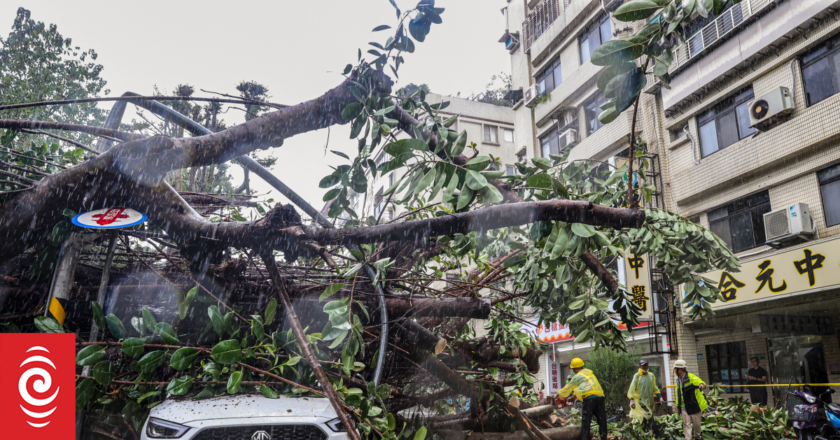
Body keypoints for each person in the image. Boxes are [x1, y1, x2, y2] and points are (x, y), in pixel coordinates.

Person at [557, 358, 606, 440]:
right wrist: (573, 397)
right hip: (600, 398)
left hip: (589, 400)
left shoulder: (577, 376)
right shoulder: (590, 374)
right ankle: (604, 438)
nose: (573, 371)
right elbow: (586, 388)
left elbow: (566, 389)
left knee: (586, 422)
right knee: (602, 421)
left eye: (573, 369)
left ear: (576, 369)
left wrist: (557, 394)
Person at [673, 359, 707, 440]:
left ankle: (698, 437)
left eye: (675, 369)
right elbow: (678, 394)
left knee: (697, 425)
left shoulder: (691, 377)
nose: (674, 371)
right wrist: (678, 405)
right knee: (686, 424)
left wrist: (702, 385)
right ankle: (688, 438)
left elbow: (700, 382)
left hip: (694, 405)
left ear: (679, 369)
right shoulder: (678, 381)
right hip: (684, 406)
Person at [627, 359, 661, 432]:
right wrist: (631, 400)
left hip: (649, 402)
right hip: (640, 402)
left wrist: (659, 396)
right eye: (643, 366)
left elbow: (654, 387)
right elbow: (632, 388)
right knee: (647, 417)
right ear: (640, 366)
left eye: (646, 365)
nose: (645, 367)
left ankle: (644, 434)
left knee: (646, 419)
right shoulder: (637, 376)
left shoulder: (651, 375)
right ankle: (654, 433)